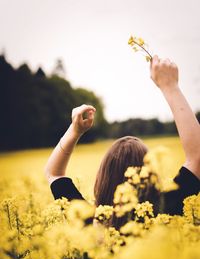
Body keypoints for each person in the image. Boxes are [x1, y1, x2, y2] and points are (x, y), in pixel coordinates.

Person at [44, 55, 200, 229]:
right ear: (150, 174)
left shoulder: (90, 223)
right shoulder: (166, 211)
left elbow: (54, 174)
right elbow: (197, 157)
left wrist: (75, 130)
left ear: (103, 178)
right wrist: (170, 87)